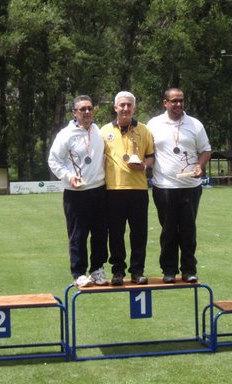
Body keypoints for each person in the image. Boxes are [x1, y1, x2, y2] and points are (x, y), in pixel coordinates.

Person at [147, 88, 211, 284]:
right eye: (174, 101)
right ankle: (168, 270)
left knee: (188, 230)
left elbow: (206, 150)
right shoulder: (154, 124)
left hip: (191, 186)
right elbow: (147, 152)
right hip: (164, 186)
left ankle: (189, 270)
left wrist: (200, 166)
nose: (178, 105)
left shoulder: (195, 124)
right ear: (165, 103)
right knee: (168, 231)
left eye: (181, 101)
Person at [48, 95, 108, 287]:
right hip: (76, 193)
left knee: (100, 233)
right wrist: (69, 177)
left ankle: (97, 270)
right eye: (82, 109)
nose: (87, 112)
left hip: (99, 190)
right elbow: (53, 161)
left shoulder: (99, 131)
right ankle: (79, 273)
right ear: (74, 112)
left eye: (90, 108)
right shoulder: (65, 135)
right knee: (78, 234)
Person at [100, 91, 155, 285]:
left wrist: (145, 166)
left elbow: (151, 156)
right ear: (115, 108)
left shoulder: (144, 130)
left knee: (139, 232)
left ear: (134, 108)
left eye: (129, 105)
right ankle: (117, 272)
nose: (125, 109)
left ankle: (137, 271)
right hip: (113, 190)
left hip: (138, 190)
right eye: (121, 105)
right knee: (115, 233)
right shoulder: (104, 131)